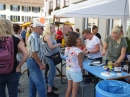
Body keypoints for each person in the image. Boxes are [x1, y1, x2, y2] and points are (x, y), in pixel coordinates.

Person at [0, 19, 29, 97]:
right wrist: (19, 66)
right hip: (13, 70)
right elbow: (26, 54)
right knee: (13, 94)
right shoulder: (15, 39)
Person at [27, 22, 46, 97]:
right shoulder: (35, 37)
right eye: (42, 28)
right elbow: (34, 53)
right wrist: (40, 64)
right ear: (37, 28)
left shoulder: (35, 36)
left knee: (33, 84)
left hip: (32, 61)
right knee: (41, 84)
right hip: (34, 62)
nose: (43, 30)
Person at [43, 23, 61, 97]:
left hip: (51, 56)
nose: (55, 29)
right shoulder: (47, 36)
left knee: (51, 72)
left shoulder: (49, 36)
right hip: (50, 56)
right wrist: (58, 44)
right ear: (49, 29)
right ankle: (49, 91)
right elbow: (51, 46)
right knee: (52, 72)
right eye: (53, 28)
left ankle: (50, 86)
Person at [65, 32, 83, 97]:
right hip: (75, 72)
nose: (79, 39)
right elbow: (80, 63)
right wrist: (82, 71)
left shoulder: (67, 48)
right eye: (78, 38)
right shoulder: (78, 50)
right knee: (74, 92)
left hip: (68, 70)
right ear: (75, 39)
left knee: (69, 88)